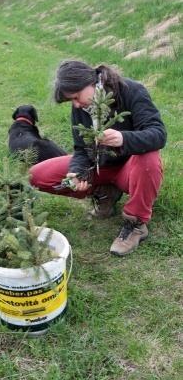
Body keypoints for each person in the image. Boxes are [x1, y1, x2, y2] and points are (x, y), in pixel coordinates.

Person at [29, 60, 167, 256]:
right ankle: (105, 193)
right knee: (36, 175)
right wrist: (76, 172)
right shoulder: (81, 107)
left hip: (131, 169)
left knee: (149, 157)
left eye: (76, 97)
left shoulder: (132, 90)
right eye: (71, 101)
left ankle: (136, 224)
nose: (76, 104)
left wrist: (123, 138)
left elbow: (158, 134)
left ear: (90, 81)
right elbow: (80, 148)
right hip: (99, 168)